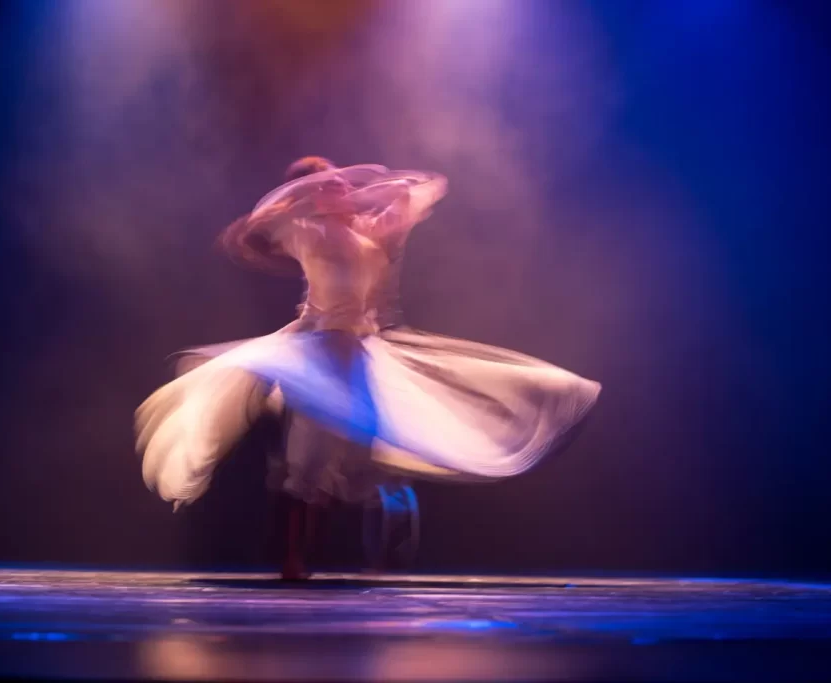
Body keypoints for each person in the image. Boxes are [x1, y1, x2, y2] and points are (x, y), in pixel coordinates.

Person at [135, 157, 601, 579]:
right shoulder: (307, 230)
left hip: (360, 352)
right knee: (309, 463)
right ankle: (292, 560)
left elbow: (421, 194)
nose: (339, 187)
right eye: (326, 183)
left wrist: (403, 191)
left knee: (355, 464)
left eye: (339, 179)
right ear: (310, 196)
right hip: (317, 350)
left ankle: (344, 554)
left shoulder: (367, 229)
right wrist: (287, 207)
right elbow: (245, 238)